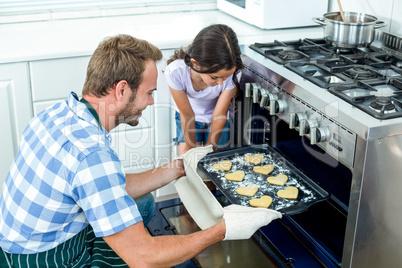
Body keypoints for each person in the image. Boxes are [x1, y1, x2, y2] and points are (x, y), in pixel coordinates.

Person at [0, 34, 280, 267]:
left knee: (144, 203)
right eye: (149, 92)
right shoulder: (91, 155)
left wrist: (180, 166)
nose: (151, 102)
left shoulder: (62, 113)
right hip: (43, 259)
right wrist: (223, 229)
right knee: (147, 255)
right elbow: (143, 257)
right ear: (122, 90)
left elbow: (107, 186)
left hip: (20, 242)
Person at [165, 24, 243, 155]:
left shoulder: (233, 73)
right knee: (186, 158)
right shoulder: (175, 72)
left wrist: (209, 149)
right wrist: (191, 154)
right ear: (196, 64)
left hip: (218, 119)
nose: (220, 83)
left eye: (225, 77)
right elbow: (187, 115)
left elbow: (219, 115)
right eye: (214, 77)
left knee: (215, 158)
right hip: (188, 117)